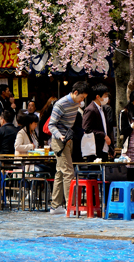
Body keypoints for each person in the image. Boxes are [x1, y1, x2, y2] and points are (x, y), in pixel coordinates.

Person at [48, 81, 90, 215]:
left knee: (60, 172)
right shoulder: (60, 104)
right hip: (59, 140)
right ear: (75, 93)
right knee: (68, 172)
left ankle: (55, 206)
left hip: (67, 140)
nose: (82, 101)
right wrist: (60, 136)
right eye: (82, 97)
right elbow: (51, 125)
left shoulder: (77, 103)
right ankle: (72, 206)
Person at [82, 83, 113, 162]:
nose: (107, 98)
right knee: (94, 172)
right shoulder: (90, 109)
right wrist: (103, 135)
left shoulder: (103, 109)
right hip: (94, 148)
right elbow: (86, 128)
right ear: (98, 97)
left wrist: (111, 147)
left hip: (104, 147)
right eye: (105, 96)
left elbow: (107, 128)